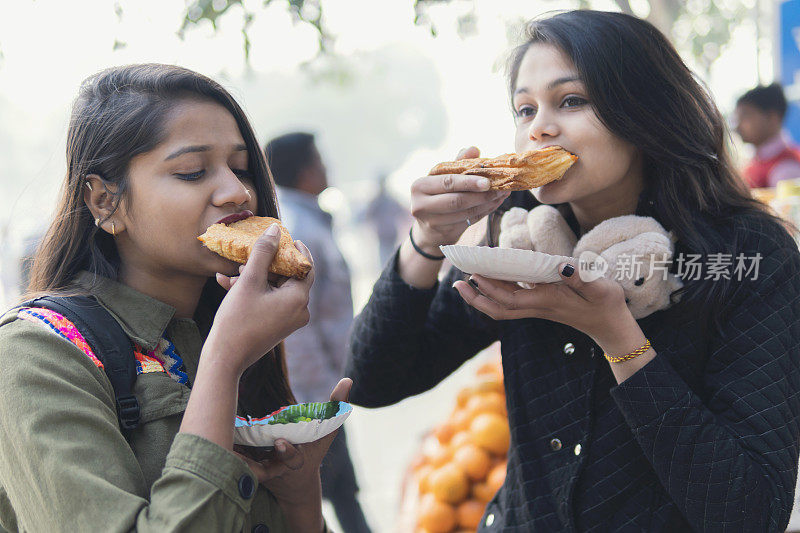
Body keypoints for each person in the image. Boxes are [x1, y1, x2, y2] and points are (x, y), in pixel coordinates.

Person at [346, 10, 800, 531]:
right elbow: (372, 381)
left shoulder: (748, 255)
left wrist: (618, 338)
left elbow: (751, 512)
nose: (539, 127)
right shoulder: (518, 239)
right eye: (524, 109)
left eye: (572, 100)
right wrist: (424, 242)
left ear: (645, 112)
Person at [0, 64, 349, 532]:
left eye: (241, 167)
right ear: (105, 202)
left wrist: (302, 502)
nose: (236, 191)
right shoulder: (33, 356)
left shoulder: (217, 324)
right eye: (191, 171)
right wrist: (223, 362)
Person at [265, 132, 372, 533]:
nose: (327, 167)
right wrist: (319, 399)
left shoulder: (308, 218)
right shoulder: (295, 229)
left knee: (343, 490)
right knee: (323, 494)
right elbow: (295, 328)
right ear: (306, 171)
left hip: (325, 383)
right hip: (315, 392)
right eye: (320, 159)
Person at [734, 82, 800, 188]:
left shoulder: (787, 169)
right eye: (737, 119)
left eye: (745, 116)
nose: (737, 126)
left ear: (772, 117)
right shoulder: (758, 161)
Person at [362, 174, 412, 266]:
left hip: (390, 235)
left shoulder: (388, 199)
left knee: (389, 259)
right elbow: (368, 216)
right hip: (384, 235)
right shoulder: (377, 201)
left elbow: (402, 211)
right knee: (386, 259)